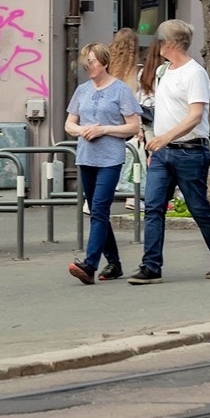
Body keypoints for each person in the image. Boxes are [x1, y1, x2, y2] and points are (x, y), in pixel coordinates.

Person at [128, 19, 210, 284]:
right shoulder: (164, 71)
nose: (157, 44)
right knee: (153, 208)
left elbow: (195, 116)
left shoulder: (195, 73)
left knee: (198, 208)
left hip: (190, 152)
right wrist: (156, 142)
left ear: (172, 43)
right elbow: (163, 113)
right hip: (163, 154)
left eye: (160, 40)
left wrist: (164, 138)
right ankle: (151, 266)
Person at [65, 42, 142, 284]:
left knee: (99, 208)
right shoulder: (82, 90)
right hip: (86, 157)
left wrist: (104, 130)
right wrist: (82, 130)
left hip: (110, 158)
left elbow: (133, 126)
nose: (88, 65)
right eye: (86, 61)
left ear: (105, 62)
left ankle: (89, 265)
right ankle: (115, 263)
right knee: (98, 211)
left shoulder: (121, 90)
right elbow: (69, 124)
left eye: (93, 61)